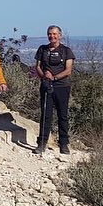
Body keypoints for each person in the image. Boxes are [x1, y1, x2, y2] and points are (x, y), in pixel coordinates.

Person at [34, 26, 75, 155]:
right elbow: (38, 66)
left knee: (62, 115)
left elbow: (68, 70)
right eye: (50, 34)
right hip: (46, 86)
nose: (52, 36)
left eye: (55, 34)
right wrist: (44, 76)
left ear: (60, 35)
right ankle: (41, 143)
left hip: (62, 86)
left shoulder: (66, 51)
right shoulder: (42, 49)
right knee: (45, 115)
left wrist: (55, 77)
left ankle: (64, 144)